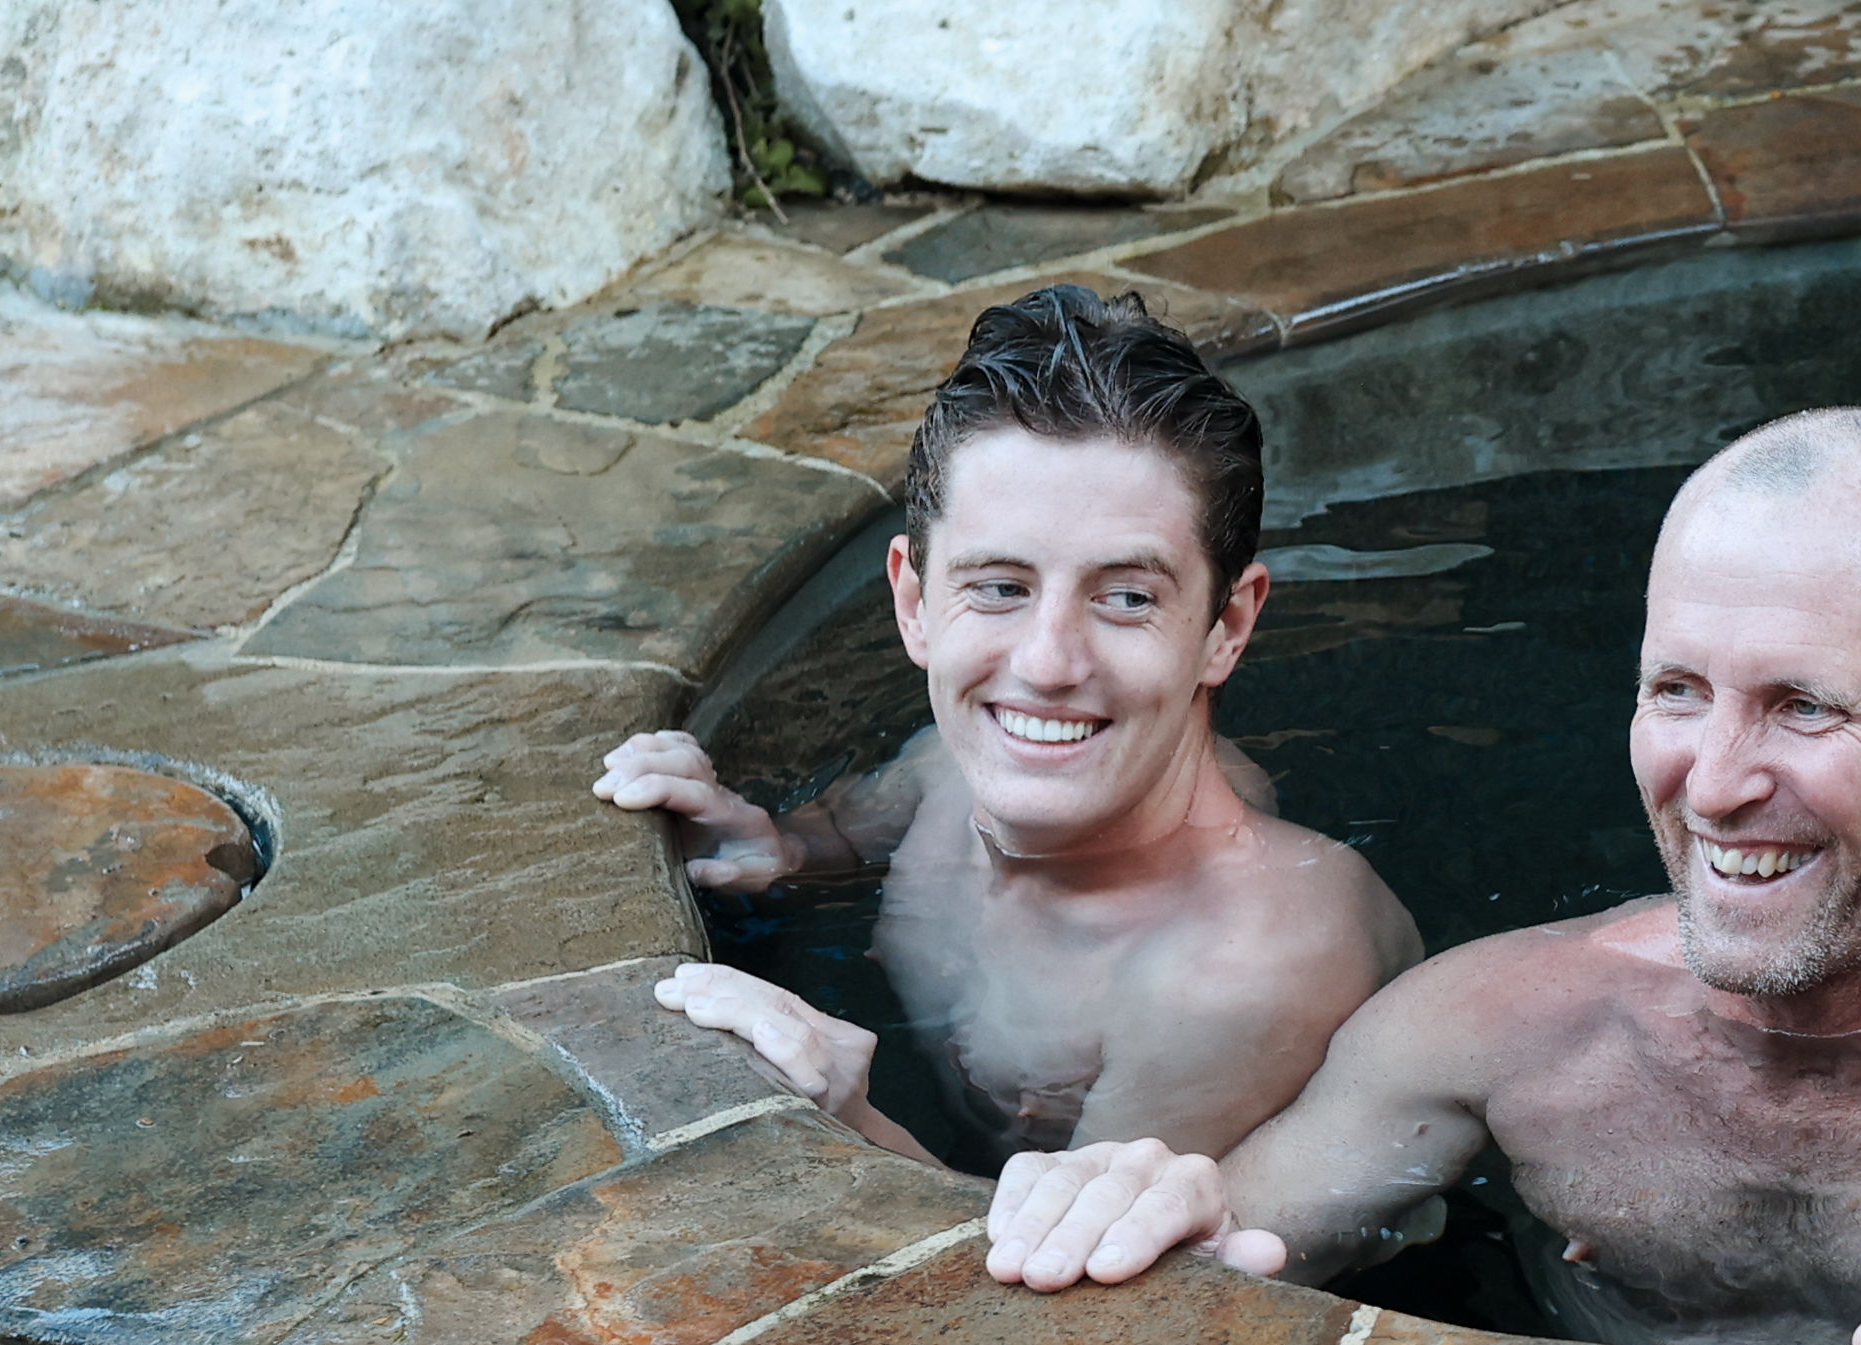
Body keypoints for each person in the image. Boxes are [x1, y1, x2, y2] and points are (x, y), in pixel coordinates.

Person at [973, 407, 1861, 1345]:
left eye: (1805, 705)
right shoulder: (1494, 1026)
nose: (1718, 780)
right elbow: (1207, 1279)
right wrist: (1083, 1200)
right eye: (1677, 692)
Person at [590, 285, 1419, 1170]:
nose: (1045, 664)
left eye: (1127, 597)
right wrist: (772, 849)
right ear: (914, 602)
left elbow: (1112, 1296)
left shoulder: (1242, 970)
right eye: (999, 587)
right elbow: (846, 834)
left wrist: (848, 1117)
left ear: (1226, 628)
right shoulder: (950, 764)